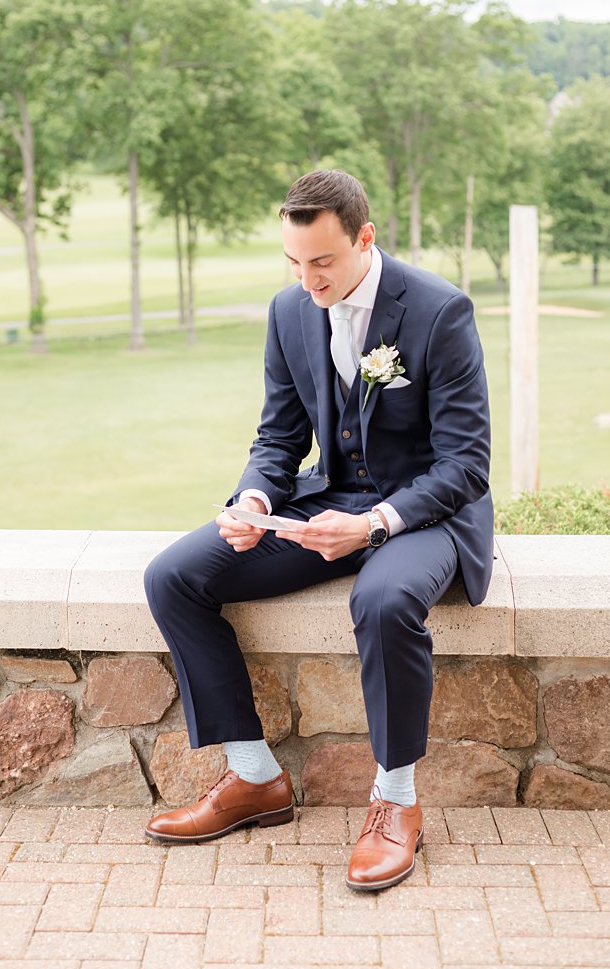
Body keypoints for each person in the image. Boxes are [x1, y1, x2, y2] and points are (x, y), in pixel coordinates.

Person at [142, 168, 493, 892]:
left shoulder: (439, 311)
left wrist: (372, 525)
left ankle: (396, 802)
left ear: (365, 237)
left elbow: (467, 463)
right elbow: (278, 437)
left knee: (384, 600)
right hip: (326, 498)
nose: (307, 280)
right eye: (294, 263)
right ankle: (254, 777)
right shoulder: (289, 311)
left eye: (323, 262)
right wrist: (256, 503)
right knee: (173, 575)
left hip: (422, 513)